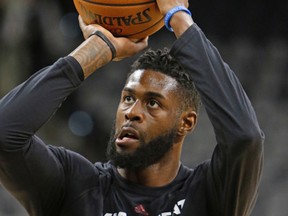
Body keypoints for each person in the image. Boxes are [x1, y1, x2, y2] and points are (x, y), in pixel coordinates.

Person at [0, 0, 264, 215]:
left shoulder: (208, 194)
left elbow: (245, 137)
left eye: (152, 103)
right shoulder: (76, 184)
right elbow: (4, 132)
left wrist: (182, 23)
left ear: (186, 123)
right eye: (127, 98)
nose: (132, 112)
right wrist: (94, 51)